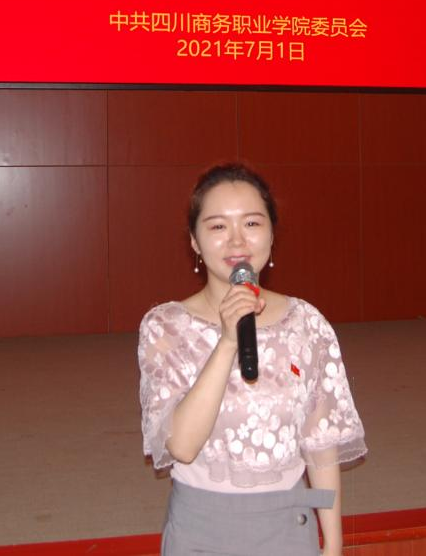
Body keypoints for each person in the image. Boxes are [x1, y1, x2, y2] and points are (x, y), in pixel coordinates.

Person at [138, 163, 366, 556]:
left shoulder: (306, 323)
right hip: (200, 533)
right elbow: (182, 446)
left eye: (252, 223)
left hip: (289, 530)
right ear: (194, 241)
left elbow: (320, 443)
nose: (237, 240)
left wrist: (333, 543)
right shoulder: (166, 327)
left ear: (272, 234)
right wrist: (228, 342)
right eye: (218, 226)